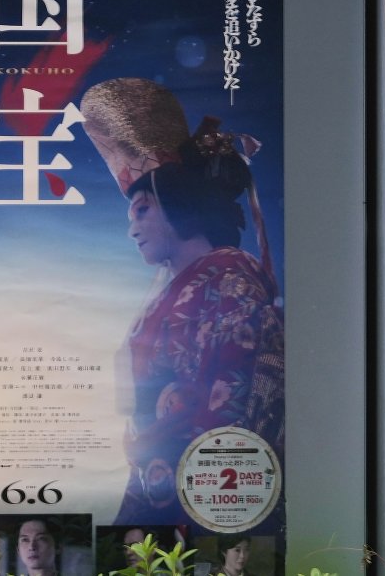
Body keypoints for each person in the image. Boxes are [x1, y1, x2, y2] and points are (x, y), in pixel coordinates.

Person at [81, 77, 285, 527]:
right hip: (156, 479)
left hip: (207, 484)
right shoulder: (187, 287)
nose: (132, 229)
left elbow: (230, 404)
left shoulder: (231, 281)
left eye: (142, 210)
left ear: (176, 203)